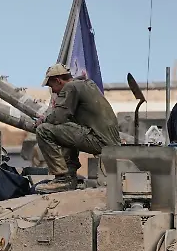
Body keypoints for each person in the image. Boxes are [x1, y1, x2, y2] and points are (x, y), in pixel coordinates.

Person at [34, 63, 121, 193]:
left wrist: (43, 120)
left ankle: (62, 179)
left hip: (99, 141)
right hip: (108, 141)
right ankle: (69, 176)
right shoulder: (87, 84)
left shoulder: (70, 87)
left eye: (52, 87)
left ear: (58, 81)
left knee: (44, 130)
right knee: (65, 129)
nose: (54, 91)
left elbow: (59, 117)